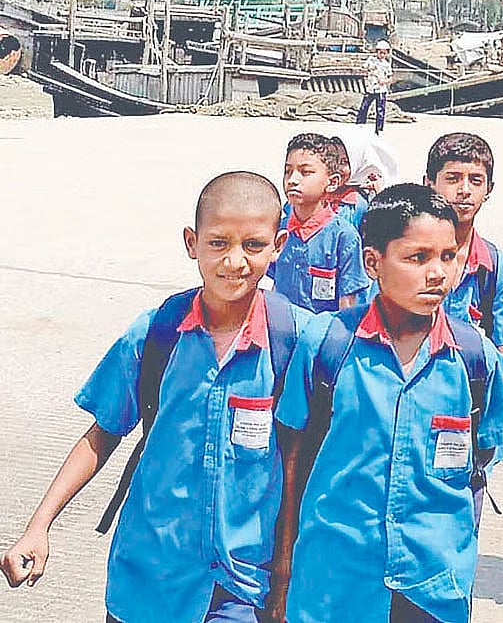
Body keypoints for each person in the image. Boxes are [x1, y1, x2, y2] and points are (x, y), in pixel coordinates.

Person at [1, 172, 309, 623]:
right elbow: (102, 434)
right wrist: (39, 526)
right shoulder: (155, 335)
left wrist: (287, 576)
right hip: (149, 580)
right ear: (192, 243)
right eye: (218, 243)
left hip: (241, 586)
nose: (235, 261)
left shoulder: (296, 340)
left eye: (253, 245)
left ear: (278, 245)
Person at [269, 184, 503, 623]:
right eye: (417, 258)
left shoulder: (476, 359)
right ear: (372, 263)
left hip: (433, 587)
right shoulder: (328, 344)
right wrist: (283, 569)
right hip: (333, 584)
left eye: (448, 256)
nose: (437, 273)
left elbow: (480, 467)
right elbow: (290, 460)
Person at [425, 132, 503, 382]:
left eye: (475, 180)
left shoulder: (499, 269)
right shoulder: (403, 258)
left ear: (488, 189)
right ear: (429, 183)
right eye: (453, 179)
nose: (464, 190)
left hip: (471, 395)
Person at [269, 133, 371, 313]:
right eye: (288, 171)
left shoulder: (344, 237)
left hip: (324, 328)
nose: (292, 180)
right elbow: (275, 282)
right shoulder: (278, 230)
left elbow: (348, 303)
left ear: (332, 183)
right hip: (281, 324)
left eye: (305, 172)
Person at [357, 40, 392, 134]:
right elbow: (363, 68)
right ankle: (360, 125)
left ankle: (379, 130)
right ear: (377, 51)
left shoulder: (387, 65)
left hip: (381, 90)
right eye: (380, 52)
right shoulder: (371, 60)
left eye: (384, 53)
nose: (382, 55)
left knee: (380, 111)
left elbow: (390, 78)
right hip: (370, 89)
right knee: (363, 108)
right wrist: (369, 69)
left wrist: (383, 81)